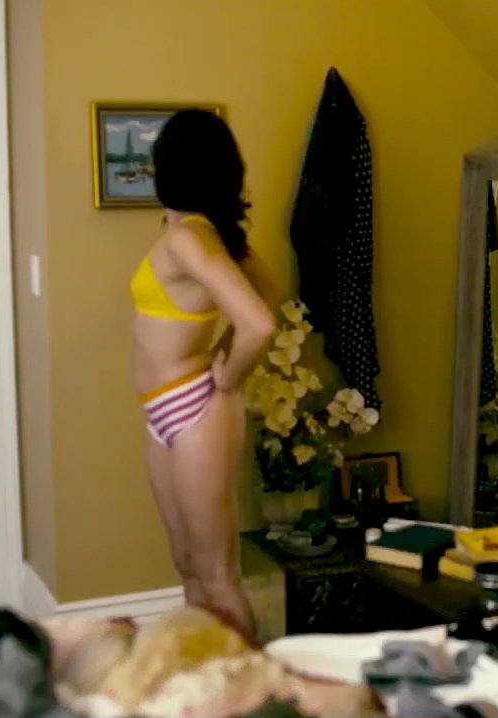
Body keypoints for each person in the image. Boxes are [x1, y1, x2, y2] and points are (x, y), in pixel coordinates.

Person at [130, 109, 277, 639]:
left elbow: (259, 322)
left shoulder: (189, 238)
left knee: (217, 575)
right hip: (164, 411)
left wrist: (228, 374)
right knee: (188, 564)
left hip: (196, 409)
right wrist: (223, 350)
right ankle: (205, 672)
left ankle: (249, 679)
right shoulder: (196, 232)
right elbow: (269, 290)